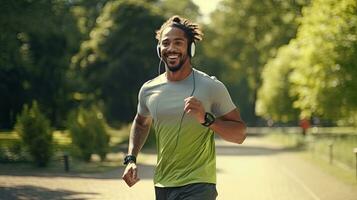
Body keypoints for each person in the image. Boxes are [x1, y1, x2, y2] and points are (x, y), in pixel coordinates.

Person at [122, 15, 247, 200]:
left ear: (190, 48)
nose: (171, 48)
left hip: (199, 184)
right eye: (166, 43)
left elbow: (240, 134)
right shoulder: (148, 89)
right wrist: (131, 159)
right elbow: (140, 123)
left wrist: (206, 119)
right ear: (159, 49)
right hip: (163, 183)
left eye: (178, 43)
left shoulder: (211, 86)